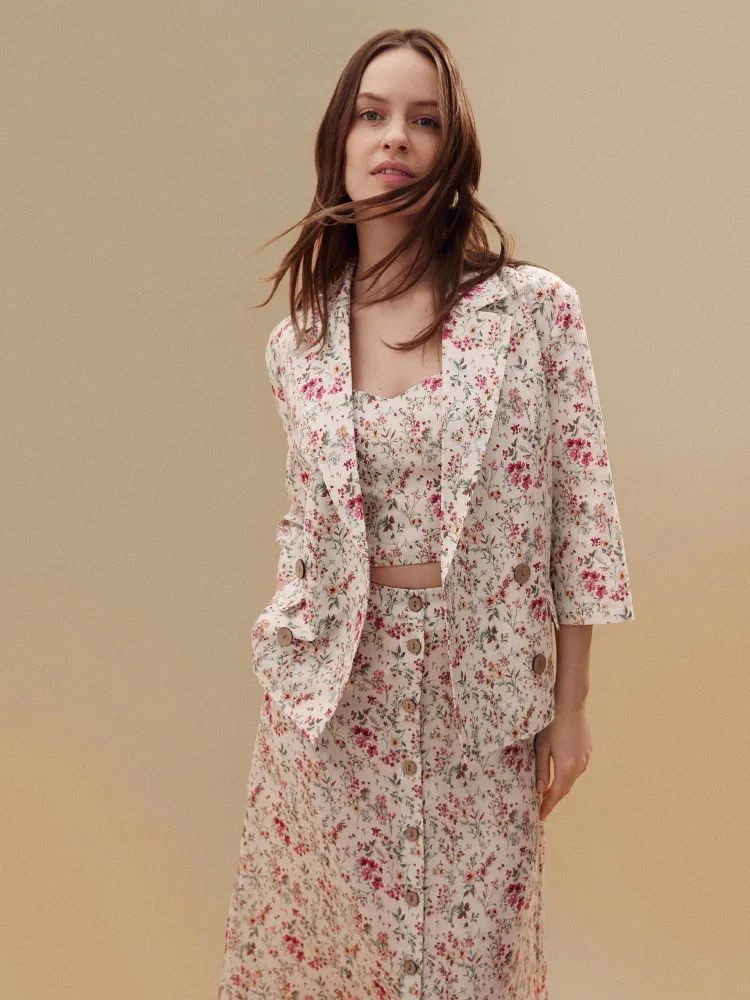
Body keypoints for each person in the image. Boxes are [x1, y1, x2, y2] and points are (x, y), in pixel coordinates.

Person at [218, 26, 634, 1000]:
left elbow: (582, 510)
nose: (395, 136)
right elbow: (311, 526)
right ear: (340, 140)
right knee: (338, 968)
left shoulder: (532, 311)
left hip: (483, 691)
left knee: (472, 966)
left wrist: (572, 706)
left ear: (453, 149)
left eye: (424, 120)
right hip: (333, 703)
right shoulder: (298, 342)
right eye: (372, 115)